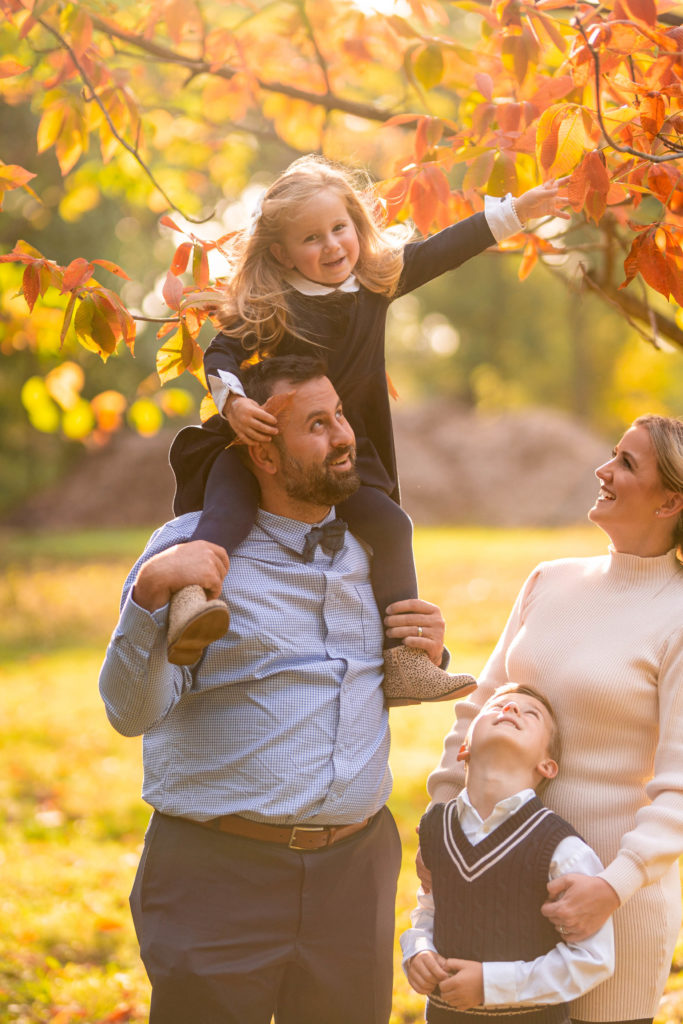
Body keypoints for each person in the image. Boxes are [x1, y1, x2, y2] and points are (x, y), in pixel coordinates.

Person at [99, 354, 456, 1024]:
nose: (345, 436)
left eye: (340, 416)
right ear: (261, 450)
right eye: (317, 425)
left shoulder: (372, 553)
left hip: (354, 875)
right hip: (217, 876)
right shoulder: (185, 554)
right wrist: (149, 596)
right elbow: (127, 711)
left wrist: (427, 645)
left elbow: (359, 688)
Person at [166, 154, 568, 707]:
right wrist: (232, 403)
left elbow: (444, 250)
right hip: (264, 443)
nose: (332, 246)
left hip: (341, 450)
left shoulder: (374, 284)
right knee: (226, 514)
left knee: (391, 526)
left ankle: (405, 660)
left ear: (357, 225)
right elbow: (222, 352)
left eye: (340, 228)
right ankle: (190, 602)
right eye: (312, 238)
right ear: (281, 252)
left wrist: (516, 212)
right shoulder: (270, 301)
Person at [425, 414, 683, 1024]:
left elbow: (679, 787)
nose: (603, 469)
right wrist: (440, 817)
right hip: (497, 881)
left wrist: (612, 886)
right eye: (612, 453)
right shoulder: (550, 580)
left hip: (611, 903)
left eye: (626, 463)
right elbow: (477, 708)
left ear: (670, 500)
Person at [401, 683, 614, 1022]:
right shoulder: (436, 828)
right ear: (464, 747)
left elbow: (593, 958)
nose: (511, 710)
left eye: (531, 714)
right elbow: (428, 910)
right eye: (497, 707)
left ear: (548, 765)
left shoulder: (561, 848)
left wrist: (492, 985)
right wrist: (418, 951)